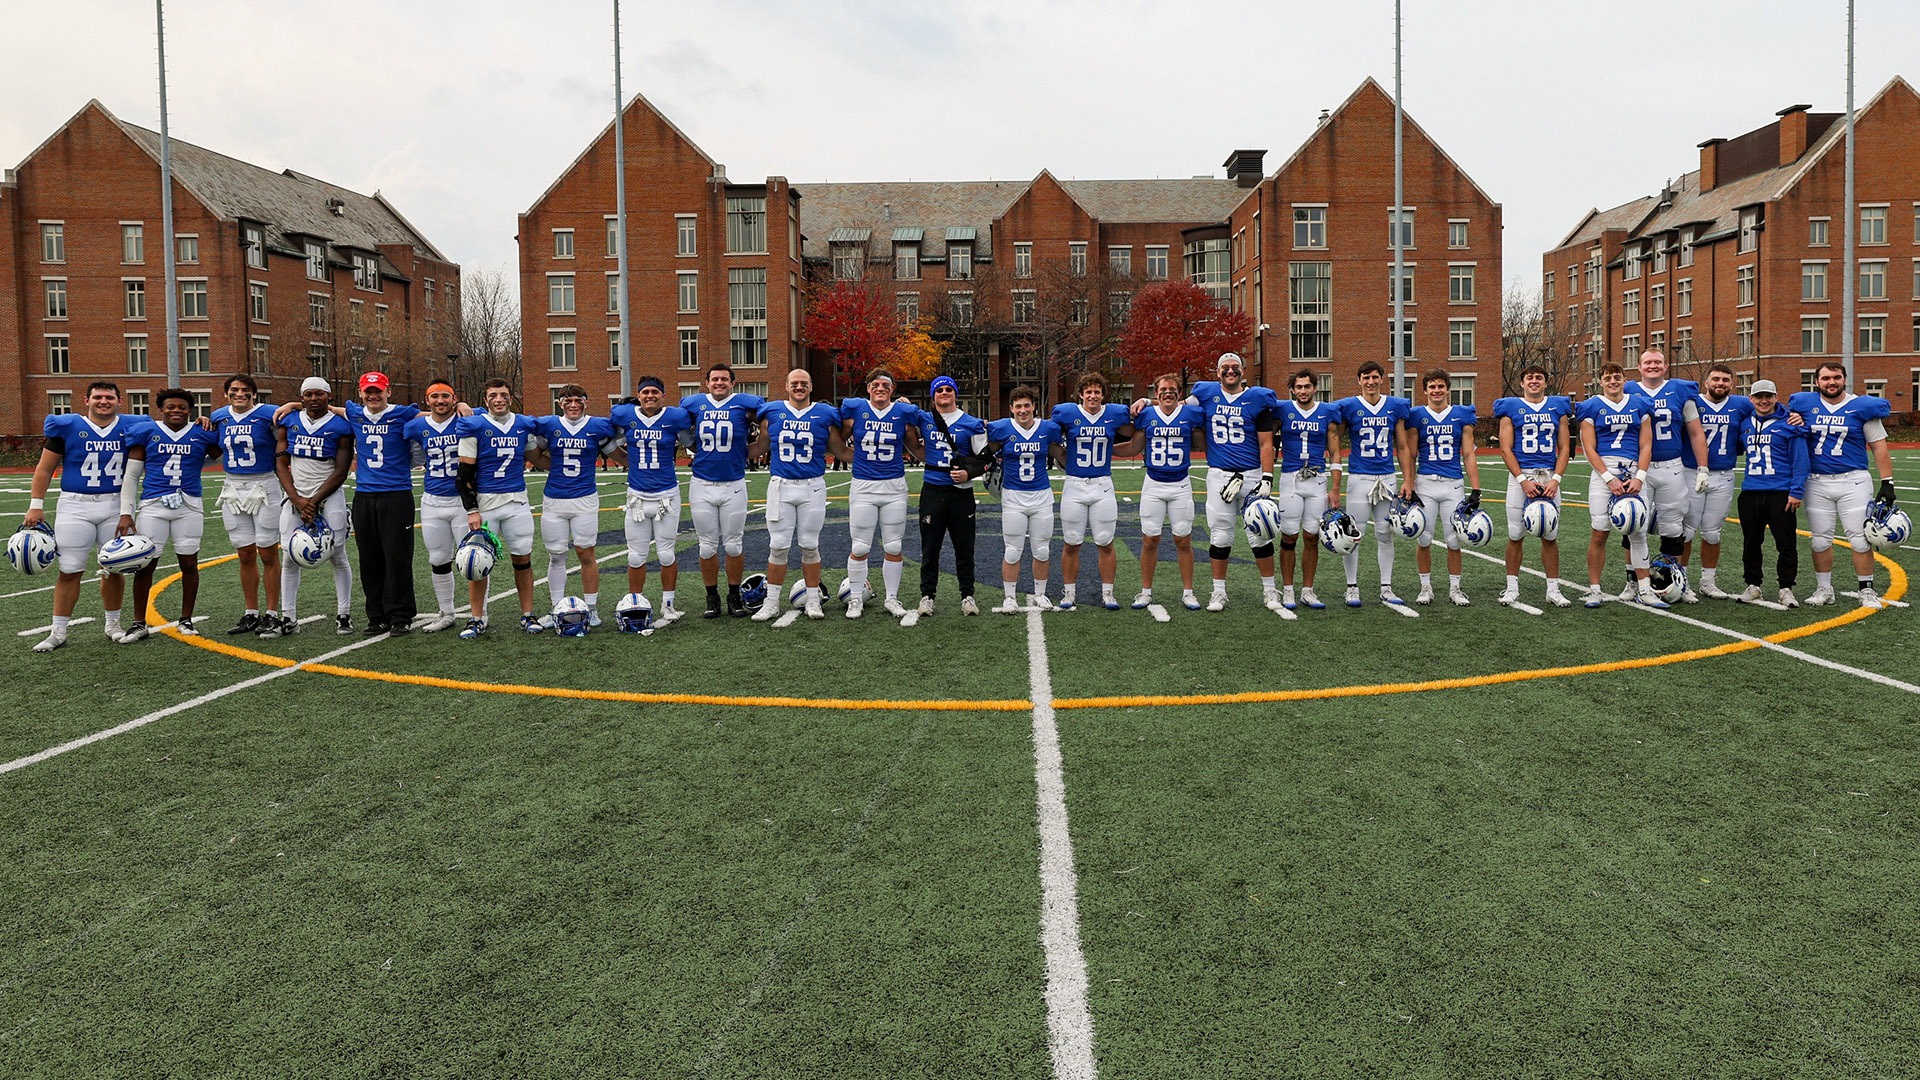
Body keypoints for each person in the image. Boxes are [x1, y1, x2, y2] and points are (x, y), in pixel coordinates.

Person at [23, 380, 151, 651]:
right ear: (86, 401)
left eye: (109, 397)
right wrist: (36, 504)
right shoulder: (67, 427)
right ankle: (58, 631)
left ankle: (112, 624)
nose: (103, 402)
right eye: (97, 397)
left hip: (116, 505)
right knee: (69, 570)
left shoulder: (132, 426)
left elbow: (169, 430)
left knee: (113, 569)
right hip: (75, 505)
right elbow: (44, 469)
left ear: (119, 401)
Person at [1156, 352, 1283, 612]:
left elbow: (1266, 442)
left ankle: (1270, 590)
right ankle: (1218, 592)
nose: (1230, 371)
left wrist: (1268, 477)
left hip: (1251, 474)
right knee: (1221, 534)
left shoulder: (1258, 398)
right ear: (1217, 372)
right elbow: (1175, 405)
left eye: (1235, 367)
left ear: (1243, 371)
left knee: (1259, 536)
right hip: (1219, 475)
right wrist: (1147, 401)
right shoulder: (1206, 392)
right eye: (1225, 367)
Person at [1788, 361, 1898, 608]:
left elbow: (1879, 447)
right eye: (1826, 378)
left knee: (1860, 539)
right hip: (1816, 482)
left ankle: (1866, 589)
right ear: (1816, 382)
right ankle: (1824, 589)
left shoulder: (1862, 407)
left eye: (1836, 377)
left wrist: (1887, 483)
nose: (1831, 382)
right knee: (1820, 540)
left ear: (1844, 379)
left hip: (1853, 480)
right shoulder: (1804, 406)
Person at [116, 388, 222, 640]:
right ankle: (138, 623)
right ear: (160, 409)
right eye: (170, 407)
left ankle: (186, 619)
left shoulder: (201, 433)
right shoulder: (148, 431)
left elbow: (224, 455)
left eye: (182, 407)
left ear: (190, 410)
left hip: (189, 505)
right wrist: (125, 513)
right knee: (145, 565)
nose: (176, 411)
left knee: (189, 564)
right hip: (154, 505)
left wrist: (209, 424)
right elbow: (131, 476)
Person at [264, 377, 356, 637]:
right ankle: (288, 618)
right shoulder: (289, 420)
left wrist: (312, 502)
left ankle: (344, 614)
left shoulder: (341, 425)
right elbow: (281, 463)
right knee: (289, 557)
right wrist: (295, 498)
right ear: (301, 398)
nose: (314, 398)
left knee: (338, 556)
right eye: (309, 394)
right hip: (296, 498)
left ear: (329, 396)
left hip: (329, 497)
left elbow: (341, 470)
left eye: (319, 394)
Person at [749, 368, 843, 620]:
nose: (799, 387)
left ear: (811, 386)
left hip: (812, 485)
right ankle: (771, 603)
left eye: (804, 383)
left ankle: (813, 599)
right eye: (794, 383)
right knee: (778, 546)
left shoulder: (824, 413)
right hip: (781, 486)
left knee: (810, 545)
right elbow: (760, 445)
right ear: (786, 386)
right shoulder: (772, 411)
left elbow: (841, 447)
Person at [455, 378, 543, 638]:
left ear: (511, 396)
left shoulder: (523, 425)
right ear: (485, 400)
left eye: (503, 394)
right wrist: (471, 509)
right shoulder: (475, 426)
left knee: (523, 560)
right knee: (477, 560)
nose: (499, 399)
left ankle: (527, 614)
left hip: (516, 501)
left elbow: (536, 457)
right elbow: (463, 475)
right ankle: (477, 617)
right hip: (486, 503)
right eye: (493, 395)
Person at [1623, 349, 1710, 601]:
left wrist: (1702, 467)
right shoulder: (1628, 390)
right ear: (1638, 367)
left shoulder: (1681, 391)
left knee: (1673, 526)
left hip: (1672, 465)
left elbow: (1695, 432)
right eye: (1648, 362)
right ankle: (1633, 581)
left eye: (1657, 362)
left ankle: (1676, 581)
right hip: (1639, 467)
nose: (1653, 366)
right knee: (1634, 522)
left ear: (1666, 365)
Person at [681, 363, 766, 618]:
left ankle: (733, 595)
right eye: (715, 379)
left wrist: (755, 449)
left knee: (733, 546)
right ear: (706, 383)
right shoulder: (694, 403)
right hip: (702, 484)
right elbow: (676, 425)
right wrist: (693, 445)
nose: (719, 383)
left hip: (733, 484)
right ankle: (711, 597)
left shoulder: (743, 403)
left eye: (724, 379)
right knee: (706, 547)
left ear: (733, 383)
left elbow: (767, 419)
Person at [839, 369, 925, 618]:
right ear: (868, 387)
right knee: (860, 545)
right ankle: (856, 598)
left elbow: (915, 445)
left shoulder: (903, 412)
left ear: (893, 388)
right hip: (864, 485)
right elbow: (836, 437)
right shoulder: (855, 409)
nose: (880, 388)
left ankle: (892, 598)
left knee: (894, 545)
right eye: (875, 384)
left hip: (894, 486)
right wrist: (845, 455)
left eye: (885, 385)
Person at [342, 371, 423, 635]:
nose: (373, 395)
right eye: (369, 391)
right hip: (365, 495)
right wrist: (292, 405)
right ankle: (376, 615)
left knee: (397, 557)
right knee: (370, 558)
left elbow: (433, 415)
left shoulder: (403, 413)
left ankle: (400, 614)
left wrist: (462, 406)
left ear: (388, 391)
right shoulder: (354, 413)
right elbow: (326, 407)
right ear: (360, 392)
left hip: (396, 494)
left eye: (378, 391)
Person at [531, 384, 618, 627]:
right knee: (556, 555)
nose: (573, 404)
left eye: (578, 400)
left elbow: (617, 453)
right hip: (555, 499)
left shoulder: (596, 427)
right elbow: (534, 454)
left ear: (585, 402)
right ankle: (557, 608)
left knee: (586, 553)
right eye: (567, 400)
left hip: (585, 499)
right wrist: (554, 468)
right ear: (560, 404)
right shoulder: (550, 426)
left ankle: (591, 609)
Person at [1577, 362, 1662, 608]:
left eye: (1617, 377)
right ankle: (1595, 589)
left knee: (1638, 531)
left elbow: (1647, 444)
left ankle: (1644, 589)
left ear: (1625, 379)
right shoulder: (1591, 406)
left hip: (1634, 469)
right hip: (1605, 470)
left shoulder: (1639, 404)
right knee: (1599, 531)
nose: (1612, 381)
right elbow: (1589, 448)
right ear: (1600, 382)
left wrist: (1640, 476)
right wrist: (1608, 478)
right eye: (1607, 378)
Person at [609, 377, 694, 624]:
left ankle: (668, 604)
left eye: (655, 392)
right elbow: (609, 442)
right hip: (636, 495)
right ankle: (636, 602)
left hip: (666, 495)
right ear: (638, 395)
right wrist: (625, 460)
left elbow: (692, 443)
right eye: (645, 392)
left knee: (666, 555)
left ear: (663, 395)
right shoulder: (626, 415)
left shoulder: (674, 418)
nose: (650, 396)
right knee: (636, 556)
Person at [1329, 360, 1413, 607]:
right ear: (1359, 380)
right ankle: (1351, 586)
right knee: (1354, 535)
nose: (1371, 382)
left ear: (1381, 379)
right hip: (1359, 477)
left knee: (1385, 534)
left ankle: (1386, 586)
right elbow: (1335, 438)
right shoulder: (1350, 406)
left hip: (1386, 478)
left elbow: (1402, 446)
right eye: (1366, 377)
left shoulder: (1394, 407)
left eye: (1375, 377)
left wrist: (1408, 479)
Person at [1050, 372, 1135, 611]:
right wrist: (1060, 455)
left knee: (1106, 542)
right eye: (1088, 391)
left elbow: (1134, 427)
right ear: (1081, 394)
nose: (1093, 395)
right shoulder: (1067, 412)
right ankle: (1069, 593)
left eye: (1097, 391)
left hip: (1102, 484)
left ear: (1103, 394)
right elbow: (1050, 434)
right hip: (1075, 484)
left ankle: (1108, 593)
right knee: (1071, 542)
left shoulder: (1114, 413)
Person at [1492, 364, 1573, 607]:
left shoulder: (1557, 407)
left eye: (1539, 377)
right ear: (1522, 383)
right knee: (1515, 535)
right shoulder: (1510, 408)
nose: (1534, 381)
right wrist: (1522, 481)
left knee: (1550, 535)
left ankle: (1553, 589)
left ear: (1546, 382)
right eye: (1530, 378)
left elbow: (1565, 447)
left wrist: (1556, 479)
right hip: (1522, 476)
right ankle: (1512, 587)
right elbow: (1505, 448)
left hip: (1548, 476)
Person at [1403, 369, 1482, 606]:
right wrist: (1410, 483)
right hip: (1426, 483)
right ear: (1425, 390)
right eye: (1432, 387)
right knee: (1423, 538)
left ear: (1447, 389)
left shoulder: (1461, 414)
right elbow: (1412, 454)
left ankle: (1455, 588)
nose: (1436, 390)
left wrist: (1476, 488)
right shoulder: (1417, 415)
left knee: (1454, 539)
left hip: (1453, 484)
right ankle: (1425, 587)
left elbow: (1468, 454)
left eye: (1440, 386)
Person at [210, 374, 282, 635]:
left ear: (254, 394)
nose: (239, 394)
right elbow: (211, 444)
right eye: (234, 390)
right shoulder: (219, 416)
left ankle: (272, 613)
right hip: (232, 487)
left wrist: (293, 406)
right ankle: (251, 612)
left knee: (268, 552)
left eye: (245, 390)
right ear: (226, 394)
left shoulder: (269, 413)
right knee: (244, 553)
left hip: (264, 485)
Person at [914, 374, 991, 616]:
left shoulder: (971, 423)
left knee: (964, 548)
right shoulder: (925, 419)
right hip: (933, 490)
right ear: (933, 395)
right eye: (939, 390)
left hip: (961, 493)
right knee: (930, 548)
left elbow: (987, 460)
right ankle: (927, 596)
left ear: (955, 394)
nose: (944, 393)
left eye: (948, 389)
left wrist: (969, 473)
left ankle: (967, 595)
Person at [1131, 373, 1206, 612]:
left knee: (1183, 540)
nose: (1168, 392)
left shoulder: (1190, 413)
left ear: (1180, 393)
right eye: (1163, 389)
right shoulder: (1146, 414)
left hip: (1181, 484)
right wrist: (1145, 401)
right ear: (1156, 392)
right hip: (1153, 483)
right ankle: (1145, 591)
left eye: (1173, 389)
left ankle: (1188, 592)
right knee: (1149, 540)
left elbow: (1206, 404)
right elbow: (1132, 437)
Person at [986, 386, 1066, 613]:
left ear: (1034, 407)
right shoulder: (1002, 428)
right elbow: (985, 454)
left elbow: (1061, 455)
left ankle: (1040, 593)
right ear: (1011, 408)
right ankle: (1009, 596)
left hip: (1041, 496)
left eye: (1027, 406)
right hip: (1013, 496)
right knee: (1012, 550)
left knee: (1042, 550)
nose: (1023, 410)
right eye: (1018, 406)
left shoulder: (1047, 429)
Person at [1734, 380, 1810, 606]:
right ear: (1751, 399)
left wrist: (1796, 491)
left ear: (1776, 397)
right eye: (1758, 397)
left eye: (1768, 396)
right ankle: (1753, 584)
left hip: (1780, 492)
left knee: (1786, 543)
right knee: (1751, 542)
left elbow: (1801, 461)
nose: (1763, 401)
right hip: (1750, 491)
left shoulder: (1789, 423)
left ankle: (1786, 587)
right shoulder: (1745, 423)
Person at [1682, 363, 1752, 599]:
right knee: (1687, 531)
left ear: (1732, 384)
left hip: (1723, 474)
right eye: (1716, 379)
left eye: (1725, 380)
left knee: (1712, 533)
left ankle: (1708, 581)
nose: (1720, 384)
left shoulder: (1741, 404)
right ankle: (1681, 580)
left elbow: (1770, 410)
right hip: (1690, 471)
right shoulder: (1692, 402)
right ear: (1706, 382)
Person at [402, 379, 465, 631]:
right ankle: (446, 612)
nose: (441, 401)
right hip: (432, 499)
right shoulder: (416, 426)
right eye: (435, 396)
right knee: (438, 558)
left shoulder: (467, 418)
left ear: (454, 398)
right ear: (427, 400)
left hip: (463, 500)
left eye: (446, 396)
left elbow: (491, 413)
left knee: (472, 558)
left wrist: (466, 405)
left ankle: (479, 614)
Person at [1274, 369, 1338, 611]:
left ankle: (1308, 590)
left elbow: (1335, 452)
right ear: (1292, 389)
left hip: (1317, 477)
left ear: (1315, 388)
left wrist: (1335, 487)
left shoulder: (1326, 411)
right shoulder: (1283, 409)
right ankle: (1288, 588)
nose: (1303, 391)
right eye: (1298, 387)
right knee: (1289, 535)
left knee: (1312, 536)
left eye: (1307, 386)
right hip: (1291, 477)